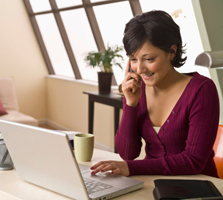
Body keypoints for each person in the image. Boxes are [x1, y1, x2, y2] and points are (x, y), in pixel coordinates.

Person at [90, 10, 220, 177]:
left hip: (199, 186)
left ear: (172, 52)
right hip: (153, 182)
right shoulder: (137, 90)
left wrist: (132, 168)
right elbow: (128, 154)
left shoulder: (202, 90)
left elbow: (193, 161)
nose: (140, 69)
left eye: (149, 59)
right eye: (134, 59)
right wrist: (130, 104)